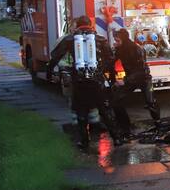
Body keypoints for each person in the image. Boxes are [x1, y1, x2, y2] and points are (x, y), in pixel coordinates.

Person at [47, 15, 122, 149]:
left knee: (81, 111)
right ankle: (116, 138)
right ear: (91, 25)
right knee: (105, 110)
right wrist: (109, 76)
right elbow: (110, 59)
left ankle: (84, 141)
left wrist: (49, 73)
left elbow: (55, 56)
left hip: (79, 81)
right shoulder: (100, 39)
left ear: (77, 25)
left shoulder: (70, 39)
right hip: (97, 80)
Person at [111, 29, 161, 136]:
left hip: (144, 78)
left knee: (151, 102)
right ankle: (125, 125)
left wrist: (125, 80)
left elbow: (142, 70)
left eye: (118, 40)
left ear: (124, 39)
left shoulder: (137, 49)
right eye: (115, 40)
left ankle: (158, 124)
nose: (116, 42)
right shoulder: (120, 49)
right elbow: (111, 61)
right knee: (116, 100)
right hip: (130, 78)